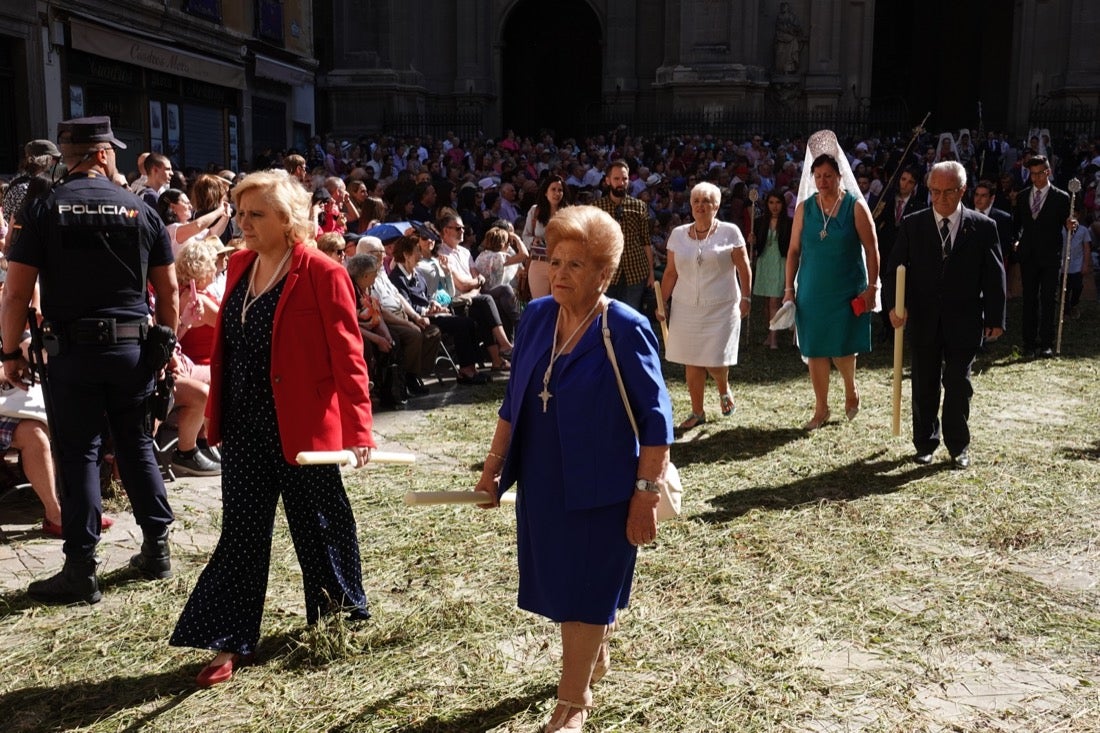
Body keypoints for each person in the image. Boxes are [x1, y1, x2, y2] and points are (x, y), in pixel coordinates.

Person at [169, 169, 375, 687]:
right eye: (240, 212)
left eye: (255, 214)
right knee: (240, 532)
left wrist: (359, 429)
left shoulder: (325, 273)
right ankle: (229, 639)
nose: (243, 222)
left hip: (303, 428)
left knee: (319, 524)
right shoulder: (239, 264)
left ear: (289, 220)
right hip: (242, 424)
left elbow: (349, 357)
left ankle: (340, 618)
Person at [474, 205, 673, 732]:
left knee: (588, 590)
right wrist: (493, 466)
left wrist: (646, 496)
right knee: (567, 585)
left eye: (575, 265)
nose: (559, 273)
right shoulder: (538, 316)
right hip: (543, 481)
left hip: (604, 486)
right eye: (555, 260)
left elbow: (657, 425)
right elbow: (514, 402)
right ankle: (592, 654)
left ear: (604, 273)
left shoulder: (624, 328)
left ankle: (573, 701)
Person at [1, 116, 178, 604]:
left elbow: (16, 293)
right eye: (114, 151)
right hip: (132, 350)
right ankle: (157, 548)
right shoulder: (141, 210)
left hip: (72, 352)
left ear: (68, 155)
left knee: (78, 451)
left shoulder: (45, 209)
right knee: (136, 444)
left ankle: (81, 568)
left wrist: (10, 351)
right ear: (101, 154)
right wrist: (167, 345)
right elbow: (168, 290)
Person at [886, 161, 1006, 469]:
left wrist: (995, 318)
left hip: (964, 319)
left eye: (948, 192)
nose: (941, 198)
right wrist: (893, 307)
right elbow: (895, 269)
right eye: (935, 191)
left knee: (957, 383)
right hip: (923, 319)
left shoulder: (982, 227)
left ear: (962, 190)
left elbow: (994, 275)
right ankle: (925, 443)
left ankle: (958, 445)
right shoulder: (914, 224)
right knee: (924, 382)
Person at [783, 130, 880, 430]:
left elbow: (872, 248)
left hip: (845, 287)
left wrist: (872, 286)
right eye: (818, 175)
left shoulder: (855, 206)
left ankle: (851, 389)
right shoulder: (804, 208)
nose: (823, 181)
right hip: (811, 289)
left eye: (829, 175)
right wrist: (789, 289)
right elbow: (793, 251)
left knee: (841, 346)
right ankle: (821, 407)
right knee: (814, 348)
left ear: (839, 176)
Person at [658, 182, 751, 428]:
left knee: (714, 359)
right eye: (696, 201)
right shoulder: (678, 234)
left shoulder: (730, 232)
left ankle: (723, 388)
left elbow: (743, 267)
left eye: (706, 201)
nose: (701, 205)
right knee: (691, 359)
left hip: (721, 305)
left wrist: (747, 297)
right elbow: (670, 273)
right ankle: (697, 411)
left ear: (717, 206)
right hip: (686, 306)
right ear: (690, 205)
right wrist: (662, 303)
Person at [389, 235, 491, 383]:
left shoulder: (416, 273)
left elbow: (427, 295)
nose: (419, 255)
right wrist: (427, 311)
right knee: (461, 325)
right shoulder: (397, 278)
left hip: (431, 314)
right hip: (417, 319)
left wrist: (433, 304)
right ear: (406, 255)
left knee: (469, 322)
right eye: (416, 251)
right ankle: (466, 372)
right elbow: (406, 304)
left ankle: (472, 368)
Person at [1014, 155, 1073, 357]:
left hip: (1050, 255)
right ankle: (1028, 343)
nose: (1035, 178)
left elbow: (1070, 222)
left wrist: (1072, 225)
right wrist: (1016, 241)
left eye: (1039, 173)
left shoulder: (1061, 197)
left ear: (1048, 172)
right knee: (1029, 299)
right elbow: (1017, 225)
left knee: (1049, 299)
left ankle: (1046, 342)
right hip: (1028, 255)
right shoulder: (1022, 197)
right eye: (1032, 174)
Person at [593, 160, 654, 312]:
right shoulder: (597, 208)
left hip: (635, 271)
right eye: (617, 179)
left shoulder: (639, 206)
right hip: (607, 271)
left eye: (625, 179)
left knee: (630, 316)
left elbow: (646, 242)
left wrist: (651, 273)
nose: (621, 182)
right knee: (606, 315)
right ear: (607, 181)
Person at [749, 191, 793, 349]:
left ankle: (774, 338)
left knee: (775, 300)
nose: (775, 206)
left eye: (778, 202)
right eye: (771, 203)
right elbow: (757, 244)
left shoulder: (788, 223)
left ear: (783, 204)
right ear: (767, 205)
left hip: (780, 261)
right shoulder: (760, 222)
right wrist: (753, 240)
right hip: (765, 261)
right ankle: (770, 332)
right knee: (767, 302)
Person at [522, 174, 569, 299]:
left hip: (561, 265)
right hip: (538, 264)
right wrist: (534, 240)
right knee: (540, 305)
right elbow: (525, 236)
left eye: (560, 190)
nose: (557, 193)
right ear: (545, 192)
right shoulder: (535, 211)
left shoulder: (569, 213)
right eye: (553, 189)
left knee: (559, 304)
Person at [156, 188, 233, 257]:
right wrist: (219, 211)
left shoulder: (187, 226)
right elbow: (198, 225)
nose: (191, 207)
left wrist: (225, 216)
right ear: (172, 207)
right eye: (186, 203)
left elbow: (211, 234)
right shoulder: (171, 229)